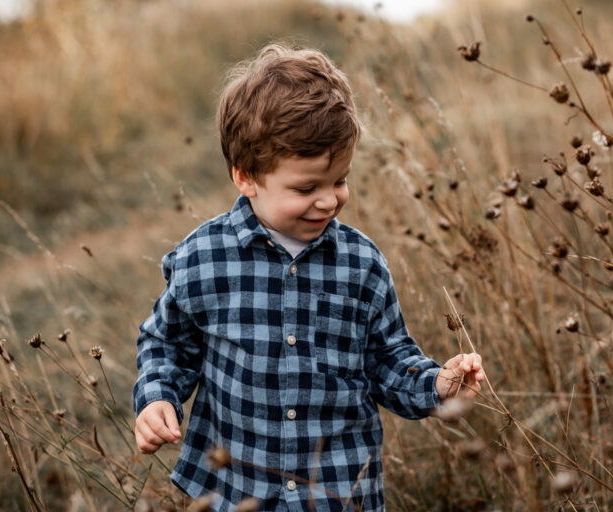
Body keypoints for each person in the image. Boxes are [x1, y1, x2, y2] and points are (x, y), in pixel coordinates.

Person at [132, 43, 485, 511]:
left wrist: (436, 384)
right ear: (246, 178)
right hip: (237, 491)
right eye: (306, 188)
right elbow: (168, 344)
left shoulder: (361, 264)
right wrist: (157, 398)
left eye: (339, 180)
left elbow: (387, 359)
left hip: (337, 489)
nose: (328, 201)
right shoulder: (204, 258)